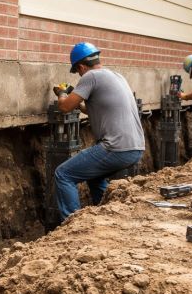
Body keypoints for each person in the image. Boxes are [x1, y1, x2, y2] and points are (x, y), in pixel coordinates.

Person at [52, 42, 145, 222]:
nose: (79, 75)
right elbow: (93, 108)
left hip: (116, 148)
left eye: (77, 71)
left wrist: (62, 93)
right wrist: (78, 100)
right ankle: (105, 219)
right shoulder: (116, 76)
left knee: (63, 174)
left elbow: (64, 107)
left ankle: (72, 226)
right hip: (135, 147)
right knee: (94, 177)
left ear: (81, 66)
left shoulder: (91, 77)